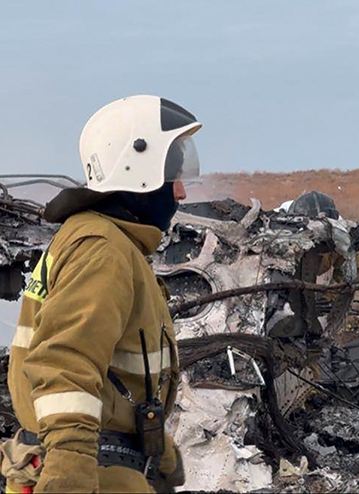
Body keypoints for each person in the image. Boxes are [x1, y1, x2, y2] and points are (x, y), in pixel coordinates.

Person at [4, 95, 201, 492]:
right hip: (94, 473)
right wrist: (69, 474)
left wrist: (158, 451)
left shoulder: (104, 242)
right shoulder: (103, 249)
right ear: (138, 169)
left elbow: (118, 380)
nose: (180, 192)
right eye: (173, 175)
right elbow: (66, 362)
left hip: (108, 465)